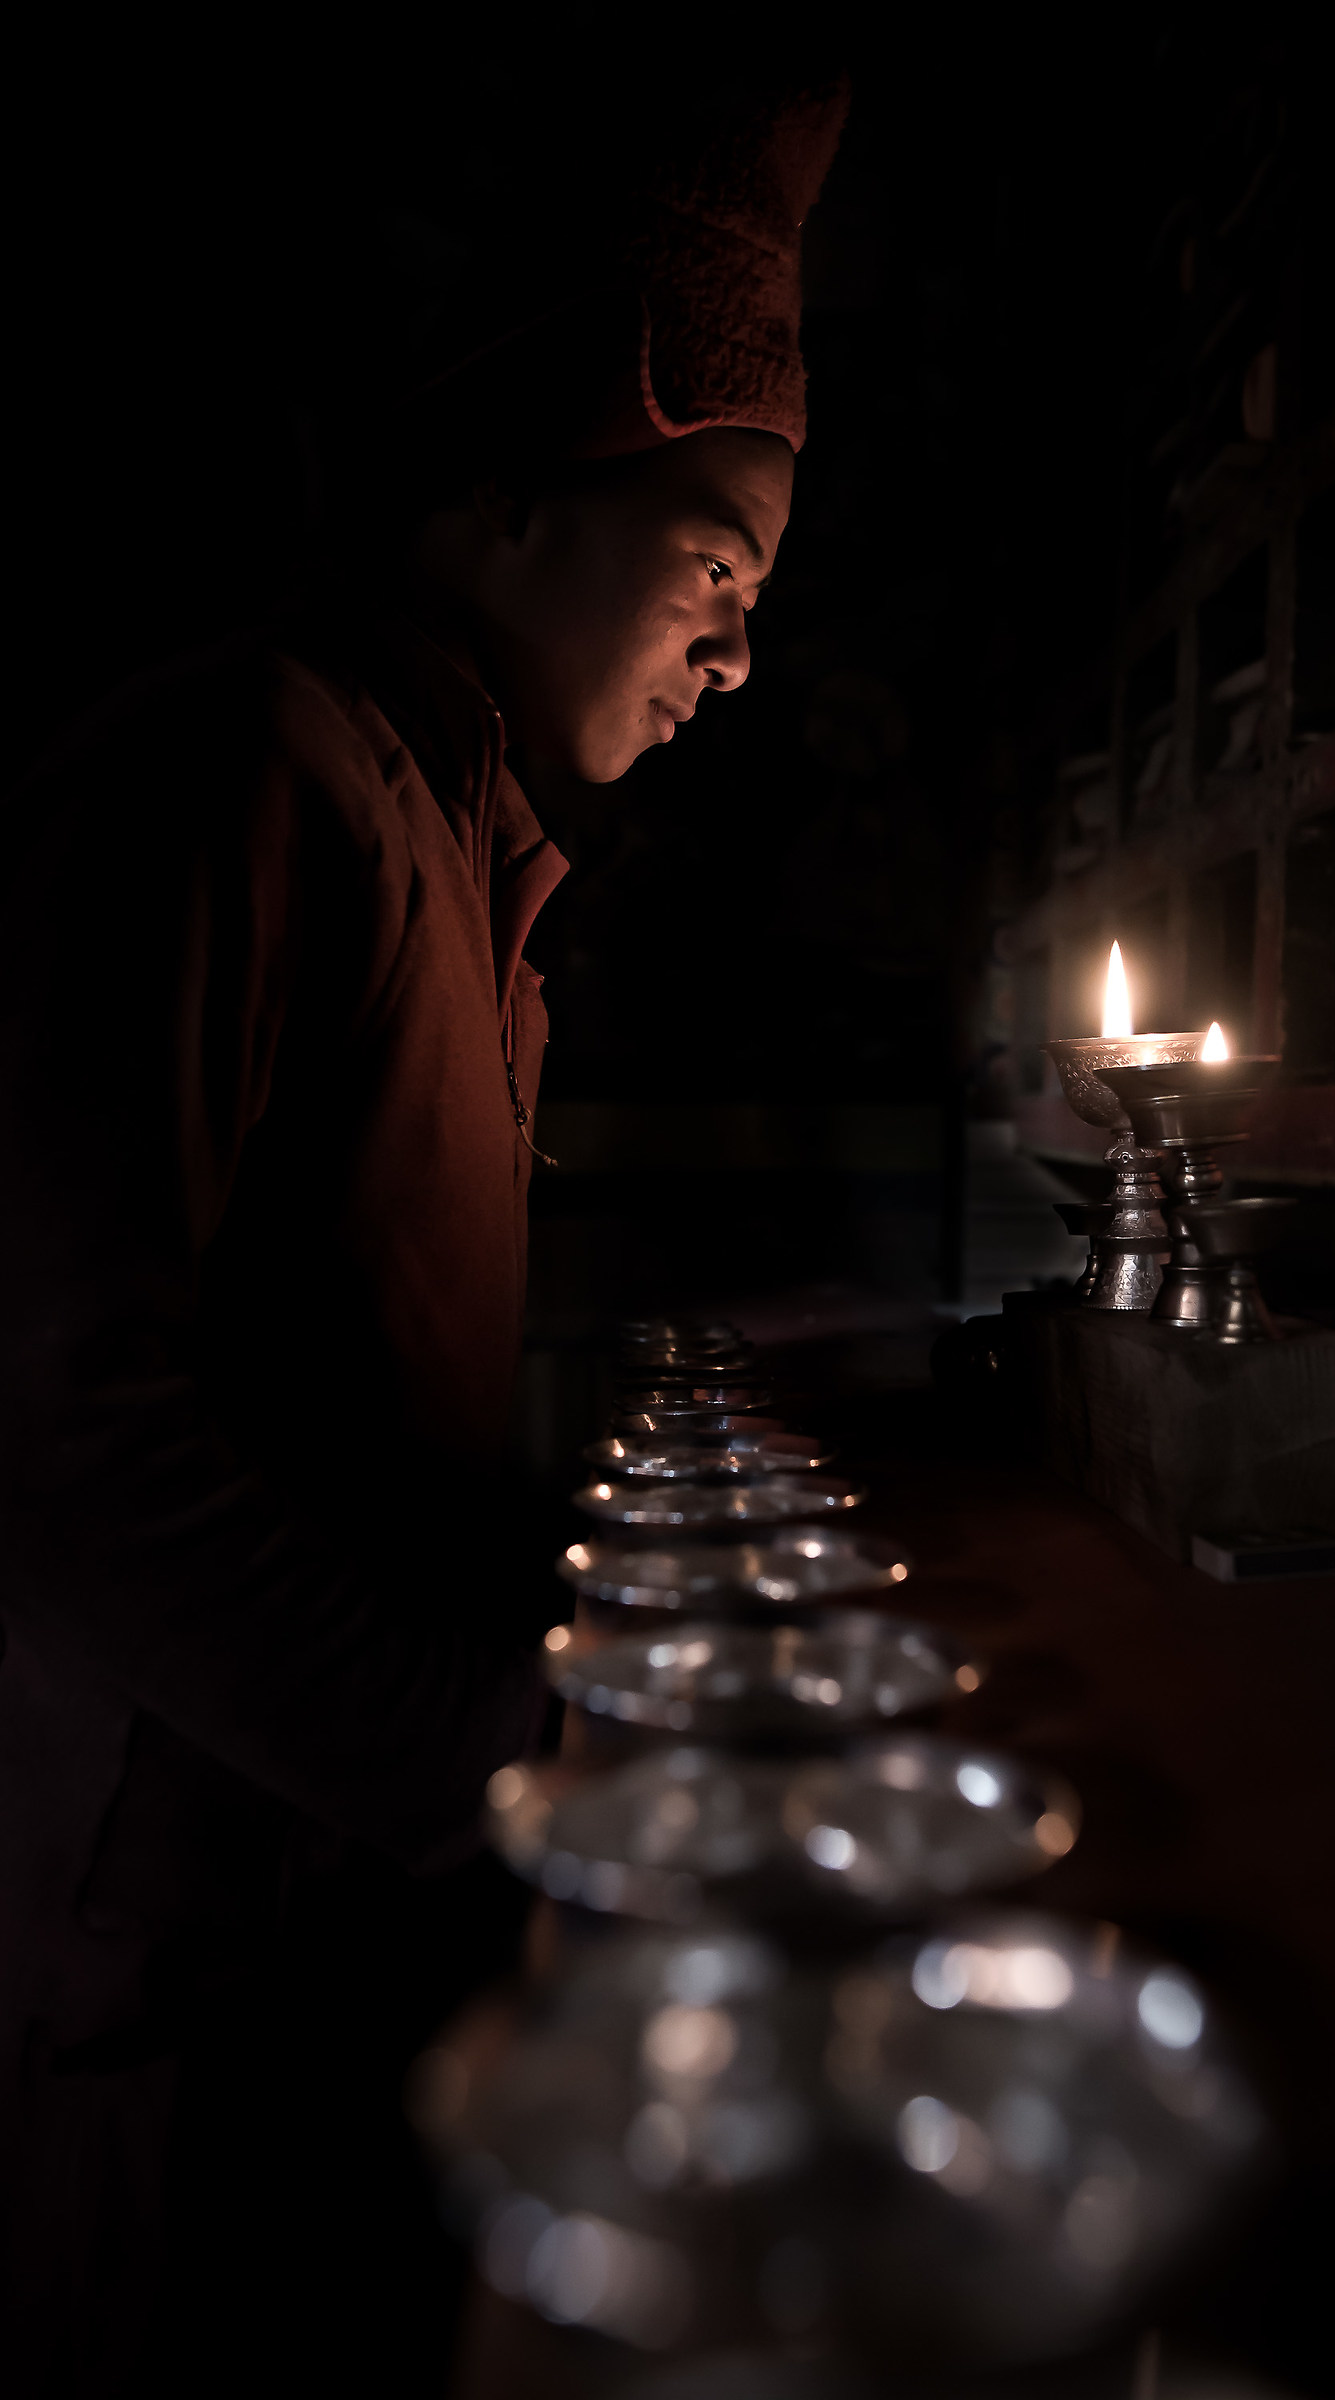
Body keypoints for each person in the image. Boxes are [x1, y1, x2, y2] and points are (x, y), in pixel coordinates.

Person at [0, 81, 845, 2397]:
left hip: (326, 1893)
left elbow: (371, 1332)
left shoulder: (479, 880)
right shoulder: (246, 775)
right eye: (712, 568)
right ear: (497, 501)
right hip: (150, 1921)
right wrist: (496, 1743)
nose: (735, 657)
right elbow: (61, 1430)